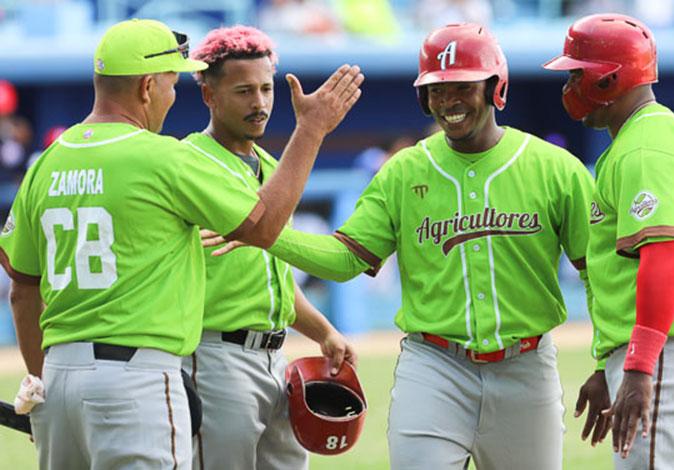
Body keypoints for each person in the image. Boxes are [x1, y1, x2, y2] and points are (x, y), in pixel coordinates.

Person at [205, 22, 595, 469]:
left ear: (494, 88)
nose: (448, 100)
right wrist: (268, 234)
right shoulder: (403, 171)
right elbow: (346, 258)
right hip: (434, 368)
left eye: (463, 86)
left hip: (527, 366)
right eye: (436, 88)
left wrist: (609, 361)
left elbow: (598, 273)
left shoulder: (555, 169)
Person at [0, 18, 363, 470]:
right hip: (140, 376)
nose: (174, 96)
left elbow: (22, 289)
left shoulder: (46, 163)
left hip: (58, 376)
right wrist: (311, 129)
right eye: (172, 83)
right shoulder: (167, 157)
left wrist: (39, 380)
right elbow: (265, 228)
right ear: (148, 87)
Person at [543, 13, 674, 469]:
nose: (571, 86)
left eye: (578, 73)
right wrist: (607, 364)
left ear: (609, 78)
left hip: (673, 359)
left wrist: (638, 366)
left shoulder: (644, 146)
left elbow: (662, 258)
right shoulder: (654, 134)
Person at [182, 25, 358, 470]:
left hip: (276, 361)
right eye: (243, 91)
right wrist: (312, 130)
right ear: (209, 95)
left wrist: (323, 331)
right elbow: (259, 227)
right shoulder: (189, 162)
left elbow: (271, 275)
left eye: (265, 88)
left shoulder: (271, 166)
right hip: (215, 357)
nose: (259, 103)